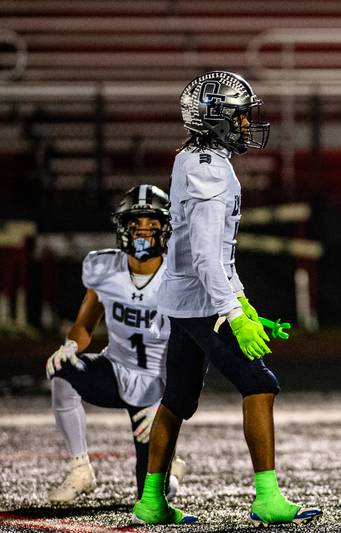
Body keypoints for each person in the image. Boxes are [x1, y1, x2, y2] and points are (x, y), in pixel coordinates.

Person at [131, 70, 322, 526]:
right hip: (201, 302)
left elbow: (209, 255)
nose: (245, 125)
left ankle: (151, 500)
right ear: (213, 119)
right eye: (238, 117)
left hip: (185, 299)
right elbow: (205, 257)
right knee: (261, 384)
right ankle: (267, 498)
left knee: (177, 399)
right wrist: (233, 312)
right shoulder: (209, 171)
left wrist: (244, 302)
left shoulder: (192, 158)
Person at [46, 184, 186, 504]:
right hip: (116, 367)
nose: (142, 232)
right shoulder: (105, 268)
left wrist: (167, 404)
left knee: (151, 496)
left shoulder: (179, 276)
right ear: (122, 227)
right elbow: (85, 323)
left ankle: (172, 472)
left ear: (165, 228)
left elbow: (191, 348)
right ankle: (81, 469)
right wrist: (70, 347)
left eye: (151, 224)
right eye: (135, 224)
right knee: (61, 370)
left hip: (156, 383)